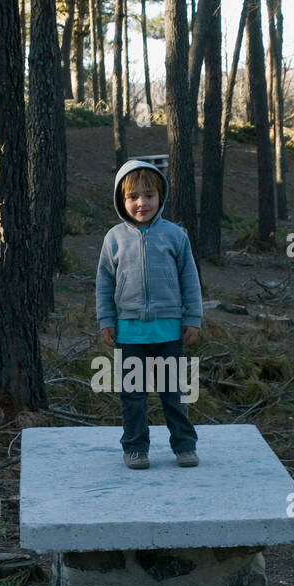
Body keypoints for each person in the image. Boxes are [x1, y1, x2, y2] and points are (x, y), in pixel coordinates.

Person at [95, 159, 202, 469]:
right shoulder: (113, 238)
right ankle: (135, 447)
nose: (141, 203)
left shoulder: (175, 235)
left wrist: (192, 318)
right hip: (130, 333)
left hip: (169, 331)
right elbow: (104, 283)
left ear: (160, 196)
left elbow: (190, 280)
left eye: (149, 195)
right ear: (121, 200)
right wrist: (106, 321)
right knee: (133, 397)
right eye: (133, 197)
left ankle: (184, 445)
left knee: (174, 395)